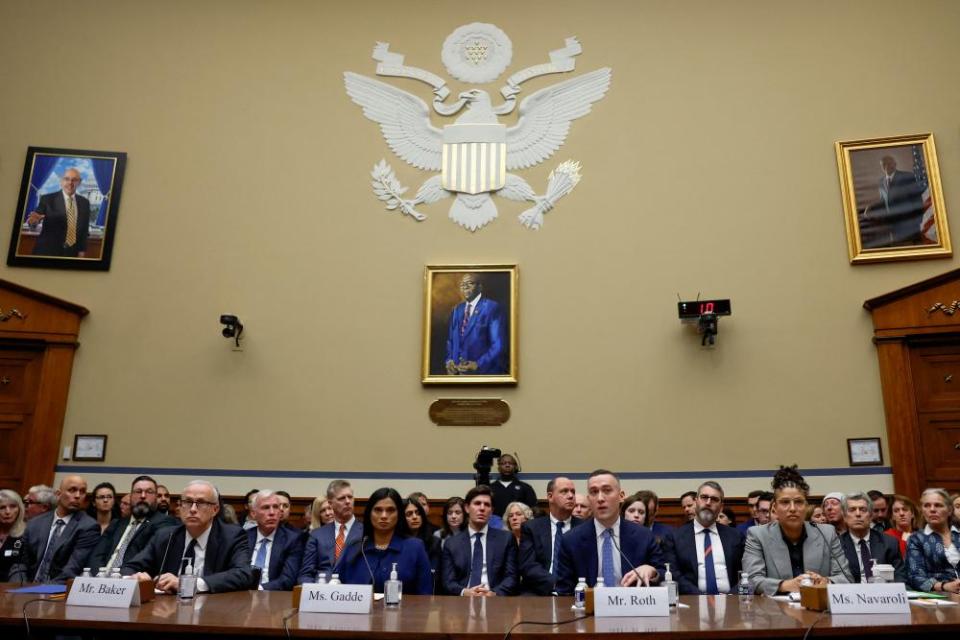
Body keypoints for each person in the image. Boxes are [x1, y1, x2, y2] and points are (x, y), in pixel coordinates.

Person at [123, 480, 254, 593]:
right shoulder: (166, 536)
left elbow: (243, 574)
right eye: (187, 502)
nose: (192, 509)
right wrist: (134, 578)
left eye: (201, 503)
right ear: (180, 506)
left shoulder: (232, 536)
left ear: (215, 509)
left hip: (212, 610)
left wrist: (189, 584)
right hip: (166, 610)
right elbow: (130, 567)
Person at [742, 466, 851, 595]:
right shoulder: (757, 535)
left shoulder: (827, 533)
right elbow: (751, 580)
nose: (792, 508)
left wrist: (825, 582)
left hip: (819, 609)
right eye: (785, 502)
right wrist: (786, 585)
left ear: (806, 506)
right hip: (775, 611)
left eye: (799, 502)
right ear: (775, 508)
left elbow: (846, 578)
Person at [556, 470, 664, 594]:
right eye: (594, 492)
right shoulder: (571, 540)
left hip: (633, 607)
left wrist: (651, 570)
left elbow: (663, 573)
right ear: (589, 499)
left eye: (607, 490)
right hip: (589, 610)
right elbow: (564, 591)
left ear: (621, 496)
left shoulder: (643, 536)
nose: (600, 498)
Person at [339, 488, 433, 594]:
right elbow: (339, 589)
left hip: (406, 610)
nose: (384, 516)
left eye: (390, 510)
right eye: (378, 510)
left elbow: (425, 595)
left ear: (399, 514)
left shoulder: (415, 548)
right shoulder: (353, 547)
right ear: (369, 513)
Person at [662, 481, 745, 595]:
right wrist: (700, 597)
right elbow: (674, 574)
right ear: (696, 502)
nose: (708, 502)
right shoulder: (675, 537)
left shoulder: (735, 536)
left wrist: (732, 597)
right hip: (692, 602)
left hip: (732, 601)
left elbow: (746, 573)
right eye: (704, 497)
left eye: (714, 499)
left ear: (721, 507)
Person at [87, 475, 178, 572]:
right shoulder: (117, 523)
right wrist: (98, 576)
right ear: (131, 496)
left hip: (132, 580)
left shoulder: (165, 523)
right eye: (138, 492)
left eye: (149, 492)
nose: (143, 496)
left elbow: (148, 559)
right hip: (102, 580)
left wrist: (119, 577)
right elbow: (97, 555)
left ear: (156, 497)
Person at [440, 485, 517, 596]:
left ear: (492, 511)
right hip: (462, 601)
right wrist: (465, 592)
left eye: (487, 505)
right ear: (467, 508)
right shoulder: (452, 543)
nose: (482, 508)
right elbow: (448, 581)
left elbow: (511, 577)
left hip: (495, 600)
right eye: (477, 503)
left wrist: (494, 593)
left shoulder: (505, 539)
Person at [24, 474, 99, 583]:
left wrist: (43, 589)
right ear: (58, 494)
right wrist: (19, 584)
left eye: (82, 491)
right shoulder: (35, 523)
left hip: (58, 590)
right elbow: (20, 563)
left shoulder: (88, 526)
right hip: (26, 586)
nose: (77, 495)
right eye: (72, 490)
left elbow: (72, 569)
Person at [517, 476, 582, 595]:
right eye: (564, 491)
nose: (571, 496)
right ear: (550, 496)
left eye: (573, 491)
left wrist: (567, 586)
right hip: (538, 590)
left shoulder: (584, 527)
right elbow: (527, 565)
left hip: (574, 591)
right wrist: (555, 583)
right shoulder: (531, 527)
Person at [298, 479, 361, 583]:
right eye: (342, 498)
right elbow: (305, 574)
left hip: (354, 593)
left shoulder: (366, 532)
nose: (348, 501)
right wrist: (315, 592)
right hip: (321, 592)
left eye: (350, 497)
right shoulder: (317, 535)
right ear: (331, 504)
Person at [444, 273, 506, 375]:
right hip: (457, 375)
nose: (465, 287)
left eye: (470, 283)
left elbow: (498, 346)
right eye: (463, 284)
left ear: (479, 287)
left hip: (482, 374)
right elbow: (450, 341)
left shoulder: (492, 308)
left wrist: (478, 364)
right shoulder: (457, 310)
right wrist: (449, 360)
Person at [838, 491, 905, 583]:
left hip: (884, 594)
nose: (858, 514)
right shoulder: (838, 545)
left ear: (870, 516)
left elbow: (899, 577)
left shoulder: (889, 543)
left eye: (863, 509)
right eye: (852, 510)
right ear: (844, 516)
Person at [860, 155, 926, 247]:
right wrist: (870, 207)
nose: (887, 166)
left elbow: (917, 199)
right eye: (884, 164)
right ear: (881, 167)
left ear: (895, 164)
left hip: (909, 224)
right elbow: (884, 200)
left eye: (889, 163)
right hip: (892, 225)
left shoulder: (907, 176)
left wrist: (918, 220)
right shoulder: (881, 182)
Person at [246, 490, 307, 590]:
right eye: (265, 508)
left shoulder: (292, 539)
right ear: (253, 514)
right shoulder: (244, 537)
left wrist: (259, 589)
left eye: (275, 507)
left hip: (274, 596)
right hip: (242, 594)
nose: (272, 513)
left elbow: (287, 579)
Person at [26, 167, 90, 257]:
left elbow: (84, 231)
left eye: (74, 180)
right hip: (47, 252)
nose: (70, 183)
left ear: (79, 182)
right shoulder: (47, 199)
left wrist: (81, 253)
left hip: (71, 254)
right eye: (67, 179)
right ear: (61, 181)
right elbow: (35, 218)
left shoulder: (85, 203)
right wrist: (33, 221)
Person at [906, 488, 960, 594]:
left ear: (949, 510)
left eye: (938, 505)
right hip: (938, 597)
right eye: (927, 505)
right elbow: (915, 576)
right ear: (922, 510)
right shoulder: (916, 539)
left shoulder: (958, 535)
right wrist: (944, 586)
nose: (932, 509)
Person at [0, 490, 33, 583]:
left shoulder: (28, 533)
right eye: (2, 507)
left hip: (12, 589)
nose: (7, 511)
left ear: (20, 509)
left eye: (13, 506)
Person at [403, 497, 440, 569]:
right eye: (409, 514)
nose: (414, 517)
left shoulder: (434, 542)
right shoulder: (396, 540)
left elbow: (434, 573)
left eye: (418, 513)